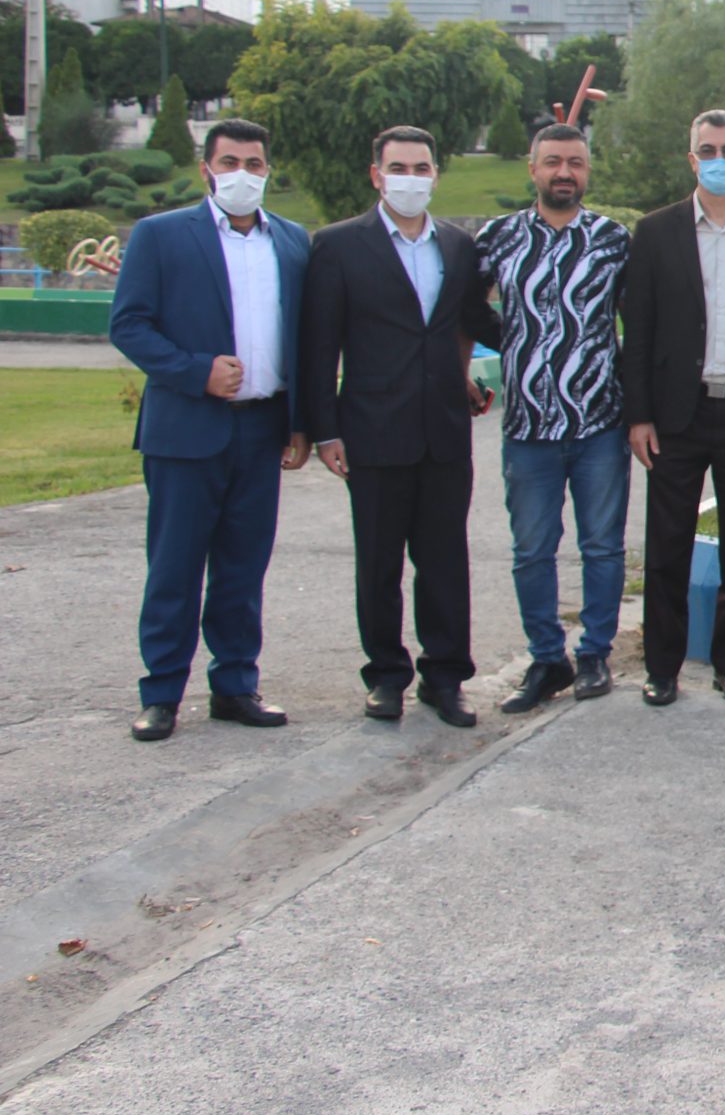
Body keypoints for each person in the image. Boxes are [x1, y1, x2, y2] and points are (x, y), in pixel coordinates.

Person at [109, 119, 311, 742]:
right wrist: (196, 372)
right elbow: (129, 324)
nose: (242, 174)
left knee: (243, 569)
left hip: (262, 428)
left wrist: (301, 422)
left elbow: (305, 336)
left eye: (254, 163)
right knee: (174, 567)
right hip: (186, 430)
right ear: (206, 169)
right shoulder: (162, 235)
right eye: (229, 162)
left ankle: (235, 685)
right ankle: (162, 692)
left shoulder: (292, 242)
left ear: (267, 170)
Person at [301, 125, 485, 727]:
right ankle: (385, 675)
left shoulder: (457, 245)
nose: (411, 178)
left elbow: (469, 321)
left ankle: (445, 676)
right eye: (398, 168)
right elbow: (320, 344)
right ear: (377, 175)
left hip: (444, 432)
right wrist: (324, 430)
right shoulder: (338, 246)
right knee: (379, 563)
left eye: (421, 168)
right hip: (373, 431)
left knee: (445, 562)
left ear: (436, 175)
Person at [621, 109, 725, 707]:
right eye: (708, 151)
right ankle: (662, 668)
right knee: (667, 547)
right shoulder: (655, 231)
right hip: (676, 414)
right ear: (692, 159)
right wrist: (638, 415)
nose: (720, 160)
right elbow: (638, 330)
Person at [472, 123, 631, 715]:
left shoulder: (613, 240)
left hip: (599, 424)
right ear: (533, 168)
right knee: (532, 550)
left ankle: (594, 655)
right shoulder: (498, 238)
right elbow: (464, 306)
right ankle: (546, 658)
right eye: (553, 162)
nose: (565, 172)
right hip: (528, 430)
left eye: (576, 163)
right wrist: (516, 342)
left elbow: (638, 319)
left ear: (588, 171)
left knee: (603, 547)